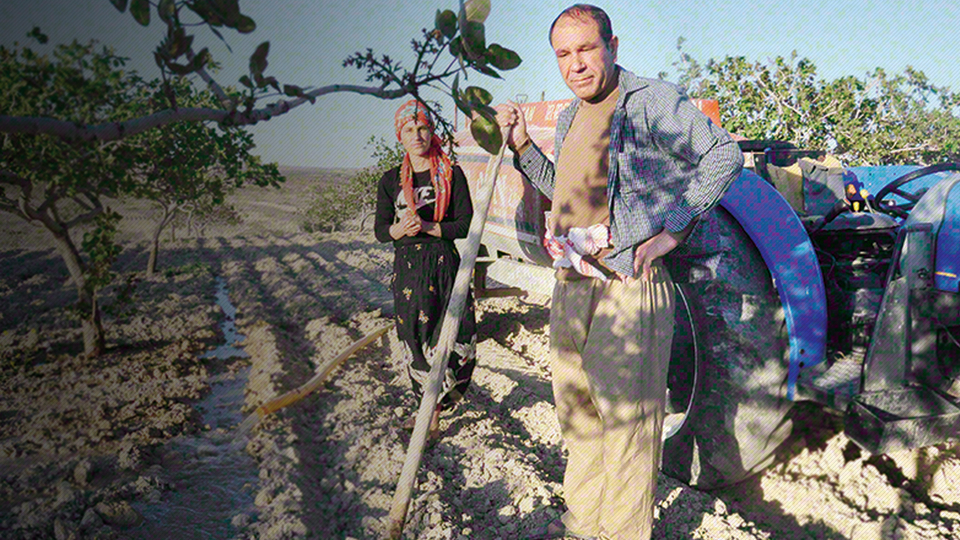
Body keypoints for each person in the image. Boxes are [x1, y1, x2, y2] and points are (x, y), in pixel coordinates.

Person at [495, 5, 743, 540]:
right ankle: (583, 526)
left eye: (587, 48)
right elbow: (561, 184)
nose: (576, 64)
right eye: (564, 54)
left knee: (627, 427)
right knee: (578, 418)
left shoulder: (648, 101)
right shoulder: (568, 117)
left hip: (625, 283)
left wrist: (672, 230)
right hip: (571, 281)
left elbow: (723, 154)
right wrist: (519, 146)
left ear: (613, 45)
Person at [374, 99, 477, 441]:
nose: (416, 135)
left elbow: (463, 224)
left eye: (422, 128)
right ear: (399, 136)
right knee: (416, 340)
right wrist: (401, 229)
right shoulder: (390, 181)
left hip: (444, 263)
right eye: (409, 129)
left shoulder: (451, 174)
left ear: (432, 132)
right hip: (408, 270)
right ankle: (428, 416)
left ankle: (434, 408)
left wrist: (429, 226)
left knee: (454, 335)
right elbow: (380, 230)